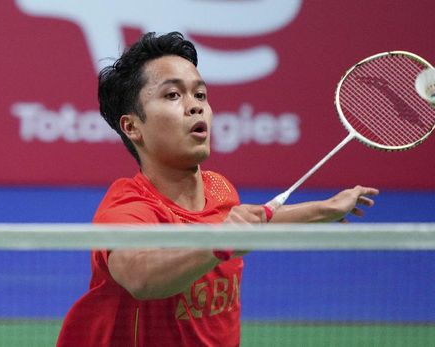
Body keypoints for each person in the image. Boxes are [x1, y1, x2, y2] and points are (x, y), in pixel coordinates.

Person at [57, 32, 379, 347]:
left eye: (200, 95)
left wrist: (327, 209)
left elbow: (253, 223)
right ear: (132, 127)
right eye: (172, 95)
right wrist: (218, 243)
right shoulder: (127, 207)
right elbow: (141, 278)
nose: (195, 107)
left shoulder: (220, 189)